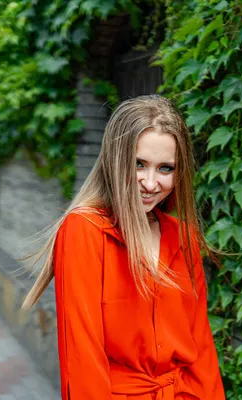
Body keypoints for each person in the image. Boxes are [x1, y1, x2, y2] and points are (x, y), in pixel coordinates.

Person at [22, 95, 225, 399]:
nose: (150, 182)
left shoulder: (184, 237)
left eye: (165, 168)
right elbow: (82, 355)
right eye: (139, 164)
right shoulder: (84, 231)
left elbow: (202, 348)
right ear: (116, 161)